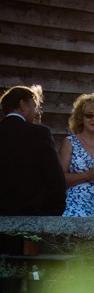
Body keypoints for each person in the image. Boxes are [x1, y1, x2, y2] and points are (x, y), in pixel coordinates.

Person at [0, 85, 66, 216]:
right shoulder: (39, 133)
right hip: (32, 213)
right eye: (34, 106)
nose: (35, 111)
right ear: (22, 104)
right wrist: (54, 212)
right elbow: (56, 178)